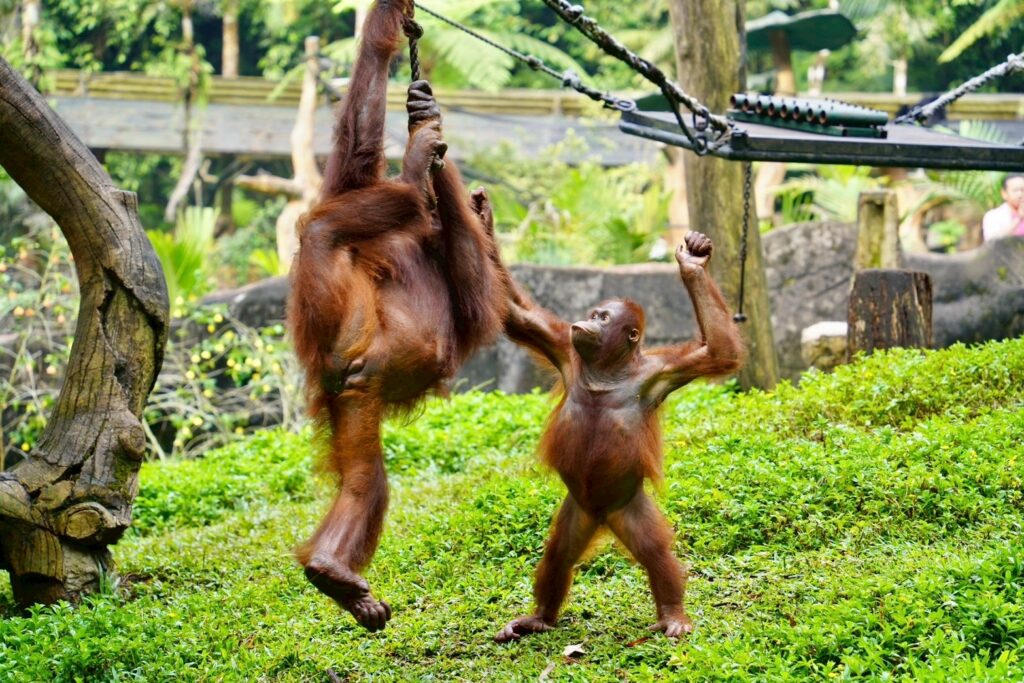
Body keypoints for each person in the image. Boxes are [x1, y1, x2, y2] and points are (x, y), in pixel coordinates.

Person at [982, 173, 1024, 241]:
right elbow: (991, 241)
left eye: (1023, 190)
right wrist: (1019, 219)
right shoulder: (993, 216)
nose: (1020, 194)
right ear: (1004, 193)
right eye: (1015, 190)